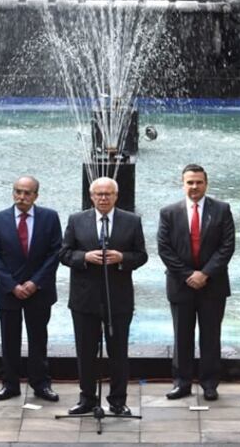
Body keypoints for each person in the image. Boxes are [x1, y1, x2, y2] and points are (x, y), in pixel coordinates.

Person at [60, 176, 147, 417]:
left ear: (116, 196)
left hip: (118, 299)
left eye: (108, 194)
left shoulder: (132, 221)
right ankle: (87, 398)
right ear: (91, 196)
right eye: (99, 194)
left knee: (118, 352)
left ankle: (118, 401)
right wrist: (84, 258)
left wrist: (123, 259)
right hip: (84, 299)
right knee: (86, 352)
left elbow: (141, 255)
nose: (104, 198)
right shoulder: (76, 220)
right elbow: (64, 253)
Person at [157, 163, 235, 402]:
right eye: (190, 182)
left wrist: (205, 273)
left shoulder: (222, 209)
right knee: (182, 336)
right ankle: (182, 383)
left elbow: (227, 246)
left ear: (206, 184)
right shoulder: (169, 212)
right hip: (181, 285)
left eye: (199, 182)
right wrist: (188, 275)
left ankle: (210, 384)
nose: (194, 186)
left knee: (211, 336)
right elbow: (164, 248)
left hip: (213, 285)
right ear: (183, 184)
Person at [0, 176, 62, 403]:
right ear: (12, 193)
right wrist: (12, 285)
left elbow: (55, 252)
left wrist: (35, 282)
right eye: (18, 191)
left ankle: (41, 384)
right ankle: (10, 385)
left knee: (38, 339)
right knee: (9, 340)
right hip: (8, 292)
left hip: (39, 290)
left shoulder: (49, 217)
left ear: (36, 195)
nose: (22, 196)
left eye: (27, 192)